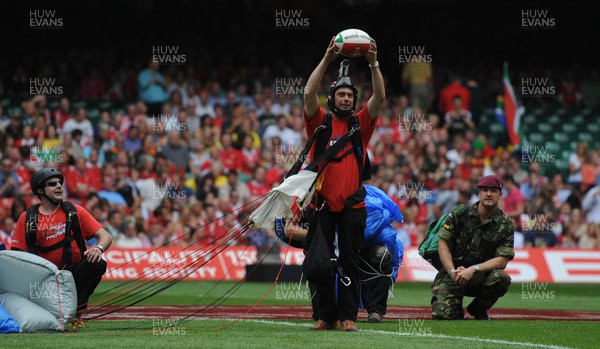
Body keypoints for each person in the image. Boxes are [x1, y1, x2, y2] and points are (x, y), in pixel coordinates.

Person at [301, 35, 385, 332]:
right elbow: (308, 92)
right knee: (317, 265)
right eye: (342, 95)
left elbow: (380, 98)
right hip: (321, 205)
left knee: (350, 263)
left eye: (351, 95)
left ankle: (348, 317)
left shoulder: (360, 124)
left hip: (353, 206)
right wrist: (326, 59)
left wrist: (373, 63)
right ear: (333, 98)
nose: (347, 99)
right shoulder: (320, 122)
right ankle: (327, 315)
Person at [275, 184, 404, 324]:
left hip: (356, 245)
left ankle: (376, 310)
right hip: (328, 248)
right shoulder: (304, 202)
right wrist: (320, 235)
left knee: (381, 256)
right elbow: (288, 230)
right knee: (318, 262)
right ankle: (326, 312)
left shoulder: (362, 201)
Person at [10, 168, 113, 321]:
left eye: (60, 183)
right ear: (40, 191)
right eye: (52, 184)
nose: (59, 186)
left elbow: (106, 236)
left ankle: (76, 310)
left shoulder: (75, 211)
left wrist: (98, 248)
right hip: (43, 279)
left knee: (96, 264)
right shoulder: (27, 217)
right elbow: (17, 255)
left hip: (73, 274)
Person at [431, 174, 514, 320]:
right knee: (443, 315)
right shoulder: (460, 212)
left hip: (479, 276)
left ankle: (478, 308)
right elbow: (443, 243)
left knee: (502, 278)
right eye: (485, 190)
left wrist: (473, 269)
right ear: (479, 193)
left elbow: (502, 260)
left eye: (493, 191)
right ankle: (455, 309)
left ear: (500, 194)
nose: (488, 194)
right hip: (453, 273)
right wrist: (451, 272)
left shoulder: (505, 224)